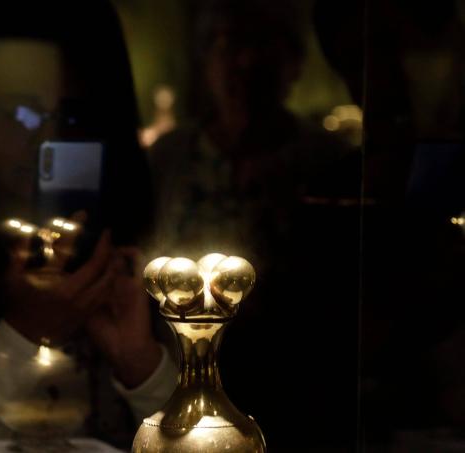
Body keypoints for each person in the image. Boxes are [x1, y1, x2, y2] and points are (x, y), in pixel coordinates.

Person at [0, 0, 177, 451]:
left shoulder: (135, 266)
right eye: (19, 112)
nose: (45, 140)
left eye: (71, 115)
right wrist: (21, 336)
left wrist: (140, 363)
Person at [148, 0, 358, 450]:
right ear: (206, 61)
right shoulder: (169, 156)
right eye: (229, 45)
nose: (246, 63)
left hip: (301, 382)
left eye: (263, 45)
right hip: (173, 374)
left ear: (294, 63)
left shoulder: (326, 160)